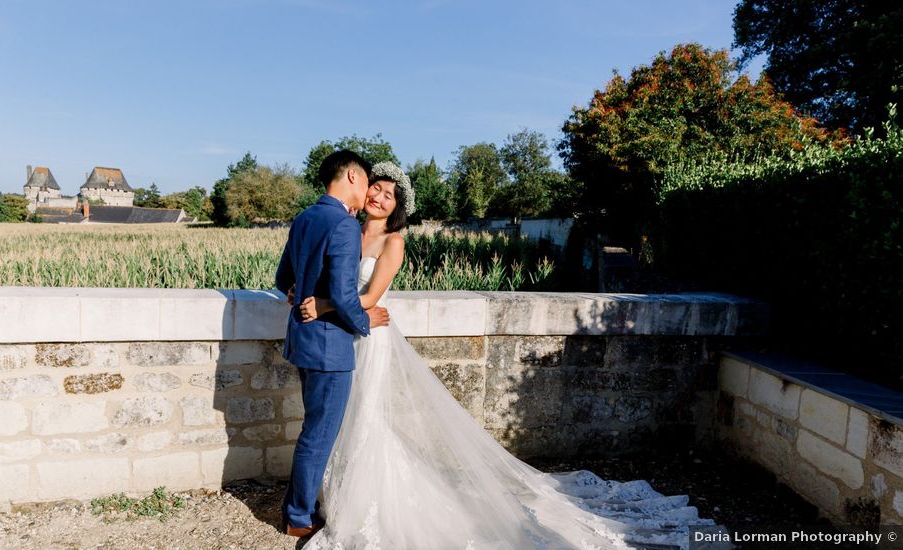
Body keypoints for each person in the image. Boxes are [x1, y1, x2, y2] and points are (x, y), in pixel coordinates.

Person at [294, 161, 728, 549]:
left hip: (370, 337)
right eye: (377, 188)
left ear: (397, 207)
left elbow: (371, 296)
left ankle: (363, 502)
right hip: (340, 336)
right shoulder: (345, 226)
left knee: (366, 417)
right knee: (341, 418)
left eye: (389, 195)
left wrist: (323, 306)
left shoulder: (394, 242)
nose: (378, 196)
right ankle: (335, 494)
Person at [274, 150, 391, 538]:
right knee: (319, 435)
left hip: (303, 342)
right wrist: (366, 322)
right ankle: (299, 517)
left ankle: (297, 503)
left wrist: (296, 290)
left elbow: (282, 278)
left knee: (314, 429)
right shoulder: (342, 224)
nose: (368, 194)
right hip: (330, 347)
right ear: (354, 177)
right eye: (368, 182)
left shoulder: (306, 216)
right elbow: (343, 297)